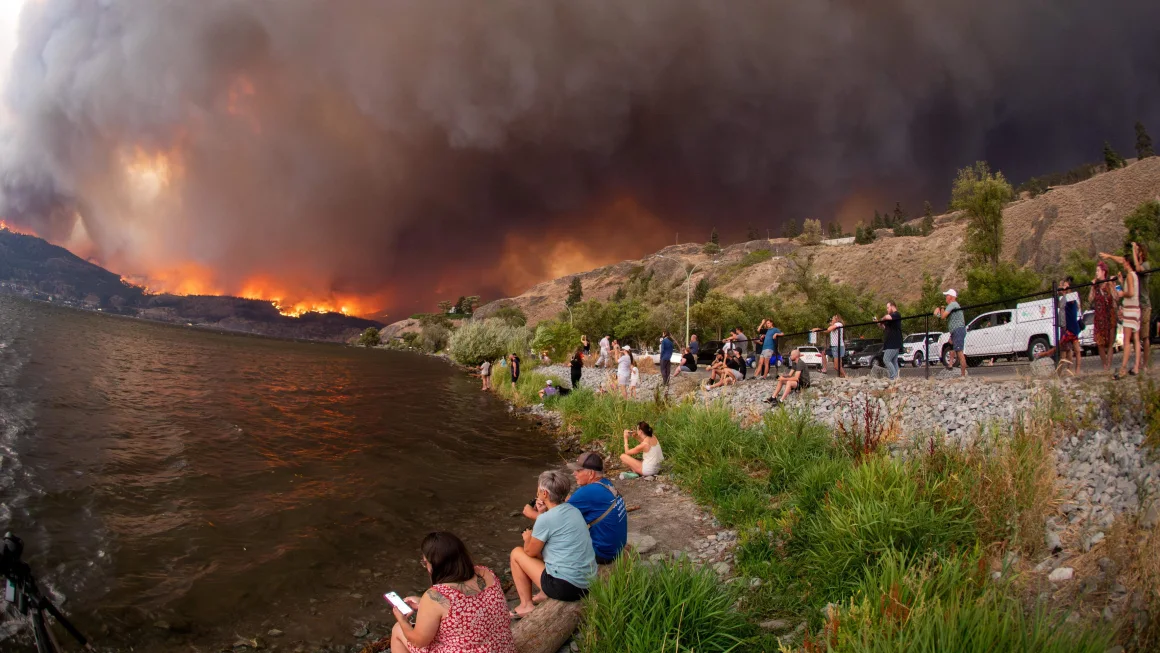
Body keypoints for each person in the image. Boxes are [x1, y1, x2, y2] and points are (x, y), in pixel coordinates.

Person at [389, 532, 515, 653]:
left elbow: (419, 642)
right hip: (503, 648)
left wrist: (402, 620)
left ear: (435, 564)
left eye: (425, 563)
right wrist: (424, 604)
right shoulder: (486, 573)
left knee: (398, 630)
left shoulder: (436, 595)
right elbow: (469, 607)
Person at [509, 470, 597, 618]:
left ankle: (526, 605)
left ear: (544, 494)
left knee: (517, 553)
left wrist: (527, 538)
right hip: (588, 581)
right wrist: (542, 512)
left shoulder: (546, 519)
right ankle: (543, 594)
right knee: (552, 549)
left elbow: (530, 552)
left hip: (568, 587)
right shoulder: (573, 510)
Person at [522, 453, 628, 565]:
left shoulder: (587, 492)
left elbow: (557, 521)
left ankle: (550, 574)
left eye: (578, 471)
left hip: (602, 553)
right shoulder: (604, 484)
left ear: (591, 473)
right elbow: (570, 503)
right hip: (615, 547)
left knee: (544, 546)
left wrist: (532, 514)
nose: (574, 473)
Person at [1103, 250, 1142, 379]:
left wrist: (1121, 294)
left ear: (1127, 263)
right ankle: (1136, 366)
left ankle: (1123, 369)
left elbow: (1129, 293)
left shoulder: (1130, 275)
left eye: (1124, 262)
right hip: (1136, 309)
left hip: (1130, 310)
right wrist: (1121, 282)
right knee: (1136, 339)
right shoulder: (1134, 275)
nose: (1123, 263)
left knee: (1126, 340)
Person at [1037, 277, 1083, 374]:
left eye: (1065, 285)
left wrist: (1065, 292)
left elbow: (1075, 305)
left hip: (1069, 327)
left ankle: (1066, 370)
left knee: (1065, 349)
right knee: (1065, 349)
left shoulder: (1071, 297)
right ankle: (1063, 370)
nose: (1062, 287)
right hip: (1065, 326)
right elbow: (1058, 305)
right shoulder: (1063, 298)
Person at [1090, 261, 1118, 373]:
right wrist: (1092, 287)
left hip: (1109, 315)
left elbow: (1116, 297)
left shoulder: (1109, 284)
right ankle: (1105, 365)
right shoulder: (1096, 285)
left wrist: (1112, 285)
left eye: (1098, 270)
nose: (1096, 273)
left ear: (1103, 271)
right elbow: (1090, 299)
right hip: (1099, 316)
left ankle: (1109, 365)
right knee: (1100, 343)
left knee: (1110, 343)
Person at [934, 289, 967, 377]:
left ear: (951, 297)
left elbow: (943, 316)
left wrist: (941, 309)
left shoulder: (952, 304)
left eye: (947, 295)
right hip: (955, 331)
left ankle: (963, 375)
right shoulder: (953, 306)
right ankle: (950, 364)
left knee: (960, 352)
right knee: (951, 344)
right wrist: (937, 313)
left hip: (958, 330)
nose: (946, 297)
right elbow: (943, 316)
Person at [876, 301, 903, 380]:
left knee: (886, 359)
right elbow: (885, 327)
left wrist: (882, 318)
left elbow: (888, 317)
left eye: (888, 308)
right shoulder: (891, 320)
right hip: (890, 342)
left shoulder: (896, 314)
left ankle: (893, 376)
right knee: (894, 361)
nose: (887, 310)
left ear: (892, 306)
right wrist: (879, 323)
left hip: (894, 342)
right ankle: (897, 377)